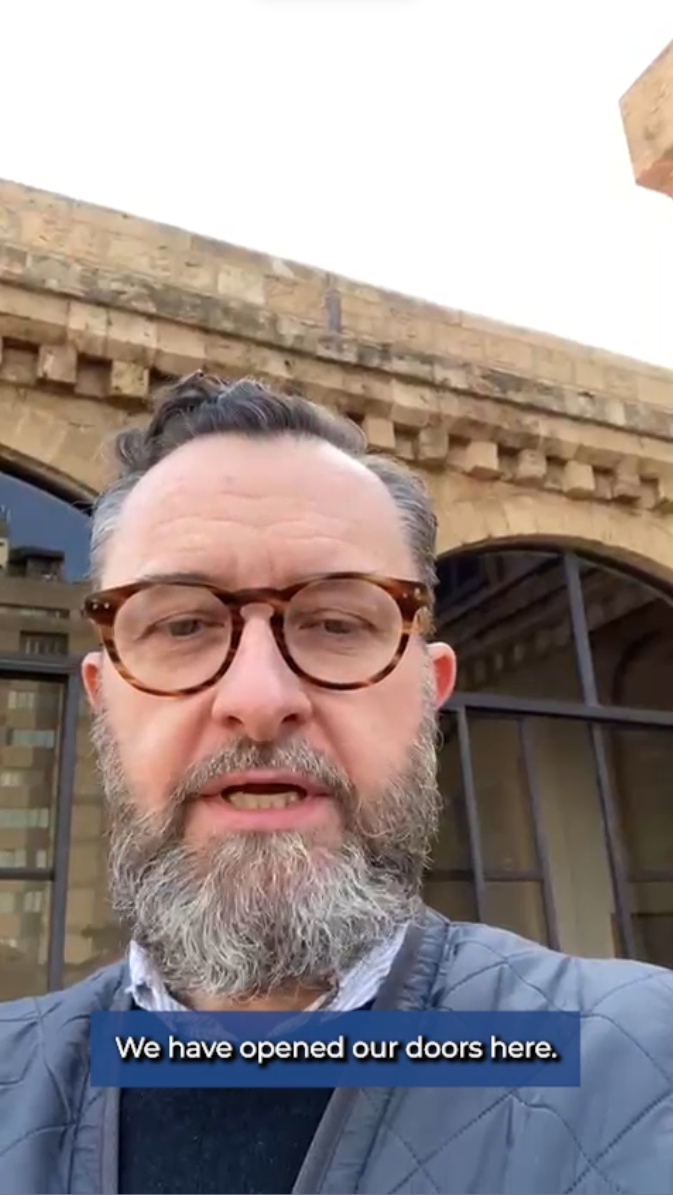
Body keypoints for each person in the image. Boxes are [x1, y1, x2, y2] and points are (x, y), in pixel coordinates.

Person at [1, 371, 672, 1195]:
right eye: (182, 624)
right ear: (103, 698)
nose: (259, 698)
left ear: (429, 691)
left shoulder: (641, 1060)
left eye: (335, 622)